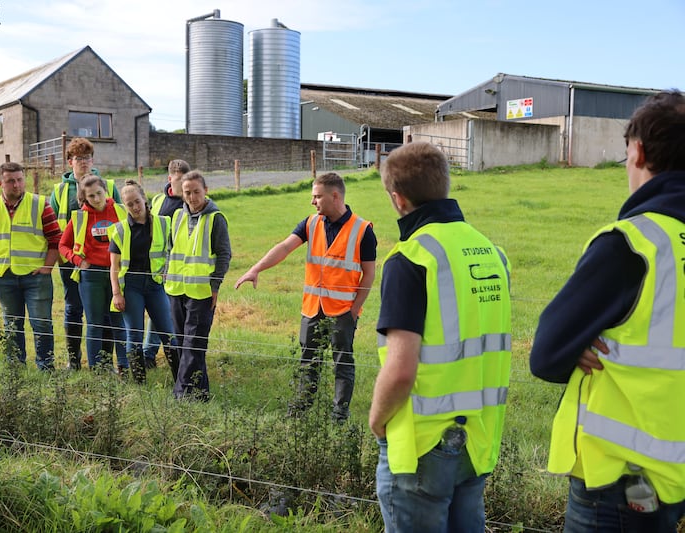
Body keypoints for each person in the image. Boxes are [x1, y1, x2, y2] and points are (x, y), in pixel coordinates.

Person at [530, 90, 685, 531]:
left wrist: (572, 345)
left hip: (619, 483)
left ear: (637, 152)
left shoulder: (632, 244)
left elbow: (546, 353)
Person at [369, 141, 512, 532]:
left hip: (422, 444)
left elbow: (400, 370)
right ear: (445, 186)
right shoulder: (492, 254)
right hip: (479, 437)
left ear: (397, 199)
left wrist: (377, 421)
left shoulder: (410, 258)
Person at [235, 172, 377, 422]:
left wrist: (355, 310)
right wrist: (256, 269)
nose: (313, 201)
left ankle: (339, 414)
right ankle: (300, 409)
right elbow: (284, 247)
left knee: (342, 362)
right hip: (313, 308)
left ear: (335, 196)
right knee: (308, 360)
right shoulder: (311, 223)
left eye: (317, 196)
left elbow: (369, 274)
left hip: (343, 310)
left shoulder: (362, 230)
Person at [0, 162, 61, 370]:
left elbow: (55, 240)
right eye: (10, 181)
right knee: (11, 326)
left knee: (41, 324)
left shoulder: (40, 204)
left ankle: (46, 367)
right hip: (4, 276)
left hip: (36, 277)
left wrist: (47, 268)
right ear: (0, 183)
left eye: (19, 180)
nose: (16, 185)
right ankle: (15, 368)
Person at [51, 137, 121, 370]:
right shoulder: (60, 191)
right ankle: (74, 361)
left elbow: (122, 221)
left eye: (87, 157)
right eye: (78, 158)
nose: (83, 162)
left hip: (108, 263)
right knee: (73, 309)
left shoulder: (108, 186)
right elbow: (54, 229)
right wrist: (73, 258)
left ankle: (105, 362)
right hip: (72, 262)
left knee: (105, 314)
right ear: (70, 161)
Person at [165, 171, 231, 400]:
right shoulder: (176, 216)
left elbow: (224, 255)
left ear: (206, 191)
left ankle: (180, 394)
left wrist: (215, 286)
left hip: (202, 292)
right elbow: (170, 250)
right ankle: (201, 394)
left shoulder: (216, 218)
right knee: (184, 343)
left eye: (196, 192)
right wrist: (166, 275)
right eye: (187, 193)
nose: (192, 197)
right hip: (175, 289)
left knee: (194, 344)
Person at [109, 180, 177, 384]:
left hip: (156, 285)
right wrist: (116, 293)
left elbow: (173, 252)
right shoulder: (120, 230)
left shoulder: (164, 223)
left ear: (144, 199)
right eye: (129, 204)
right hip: (132, 287)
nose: (135, 207)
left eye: (137, 201)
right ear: (124, 206)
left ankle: (181, 381)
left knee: (169, 332)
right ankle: (140, 382)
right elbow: (114, 266)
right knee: (135, 334)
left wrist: (168, 273)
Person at [58, 175, 127, 372]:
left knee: (117, 320)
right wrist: (78, 261)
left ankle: (123, 366)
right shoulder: (80, 217)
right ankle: (97, 369)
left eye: (99, 193)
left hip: (118, 273)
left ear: (106, 190)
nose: (96, 199)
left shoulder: (121, 211)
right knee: (95, 323)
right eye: (91, 196)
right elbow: (63, 245)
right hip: (91, 276)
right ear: (84, 198)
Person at [142, 159, 190, 369]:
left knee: (180, 313)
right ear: (170, 179)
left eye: (185, 180)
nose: (182, 185)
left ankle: (182, 352)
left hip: (186, 266)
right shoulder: (159, 200)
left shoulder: (192, 199)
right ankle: (148, 352)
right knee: (159, 310)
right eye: (178, 180)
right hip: (160, 266)